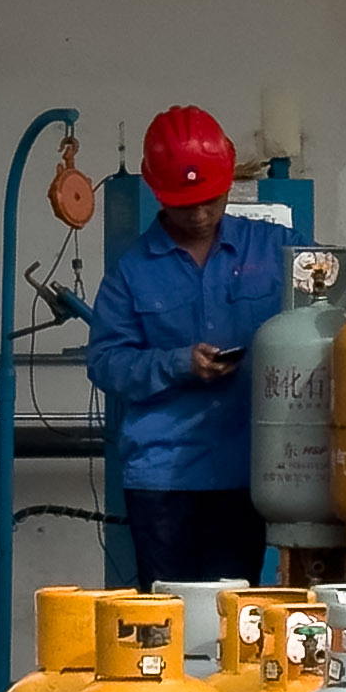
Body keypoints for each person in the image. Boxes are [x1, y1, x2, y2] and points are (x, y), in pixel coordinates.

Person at [83, 107, 289, 588]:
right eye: (184, 205)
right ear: (157, 193)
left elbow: (335, 279)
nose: (199, 215)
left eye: (210, 201)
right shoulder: (132, 272)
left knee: (237, 614)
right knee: (169, 614)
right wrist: (178, 364)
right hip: (164, 478)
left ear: (228, 184)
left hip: (251, 471)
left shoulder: (275, 251)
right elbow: (106, 362)